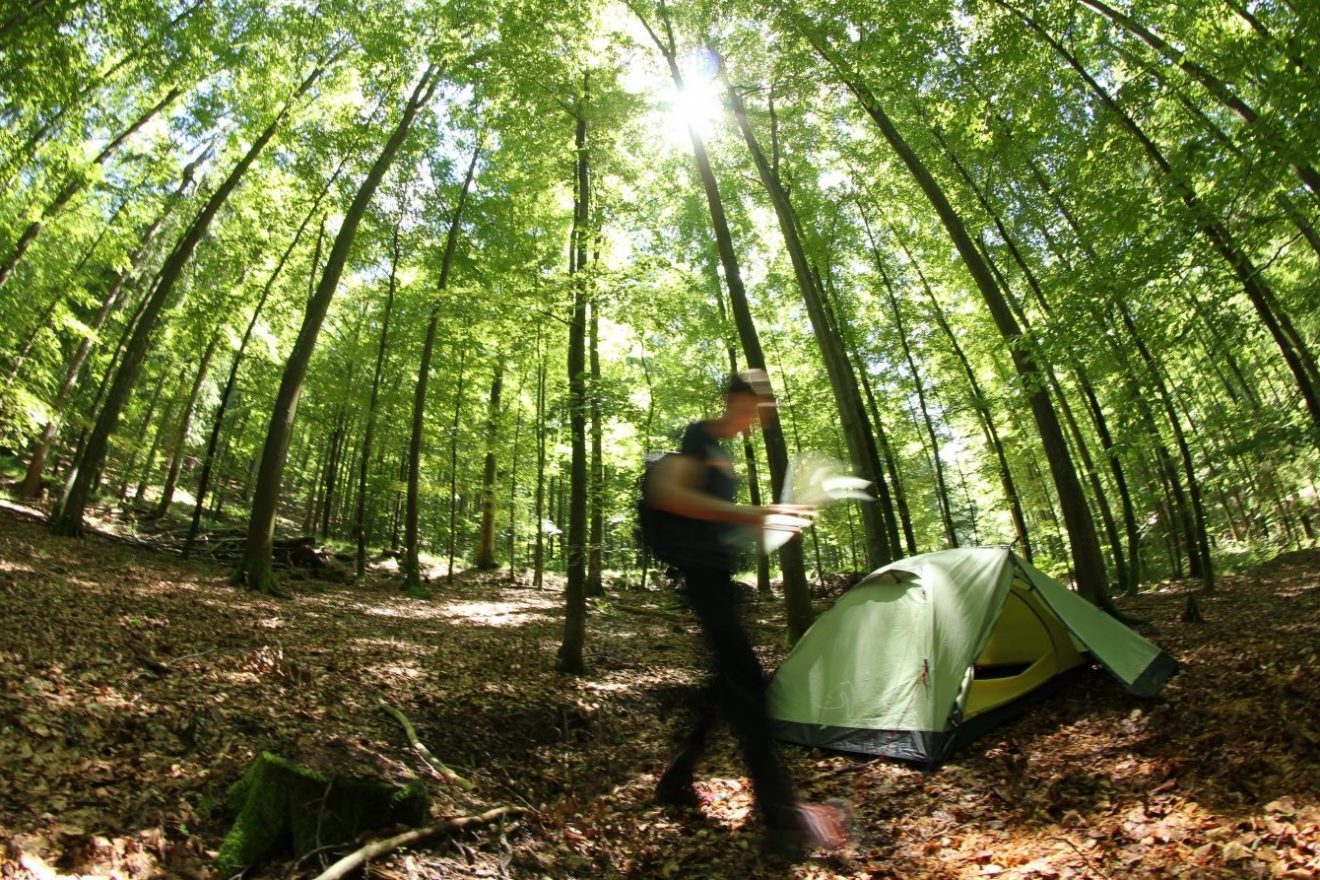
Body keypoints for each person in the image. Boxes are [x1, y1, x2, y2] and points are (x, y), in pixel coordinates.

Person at [645, 369, 851, 858]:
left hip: (717, 578)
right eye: (759, 408)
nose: (761, 420)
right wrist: (753, 514)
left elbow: (714, 522)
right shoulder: (699, 436)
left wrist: (764, 524)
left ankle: (676, 779)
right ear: (737, 399)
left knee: (726, 684)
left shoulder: (723, 454)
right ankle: (782, 823)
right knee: (748, 685)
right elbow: (671, 496)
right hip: (700, 578)